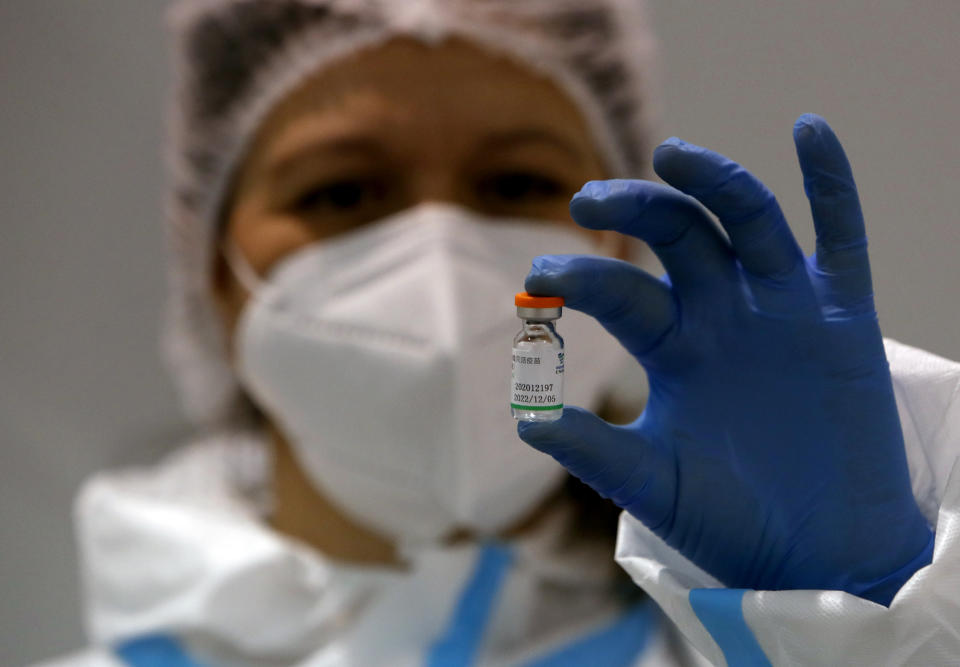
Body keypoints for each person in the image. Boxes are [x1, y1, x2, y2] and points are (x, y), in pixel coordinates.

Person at [35, 1, 960, 665]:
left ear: (619, 247)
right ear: (214, 274)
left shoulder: (781, 642)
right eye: (342, 192)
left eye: (515, 184)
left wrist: (865, 616)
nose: (439, 249)